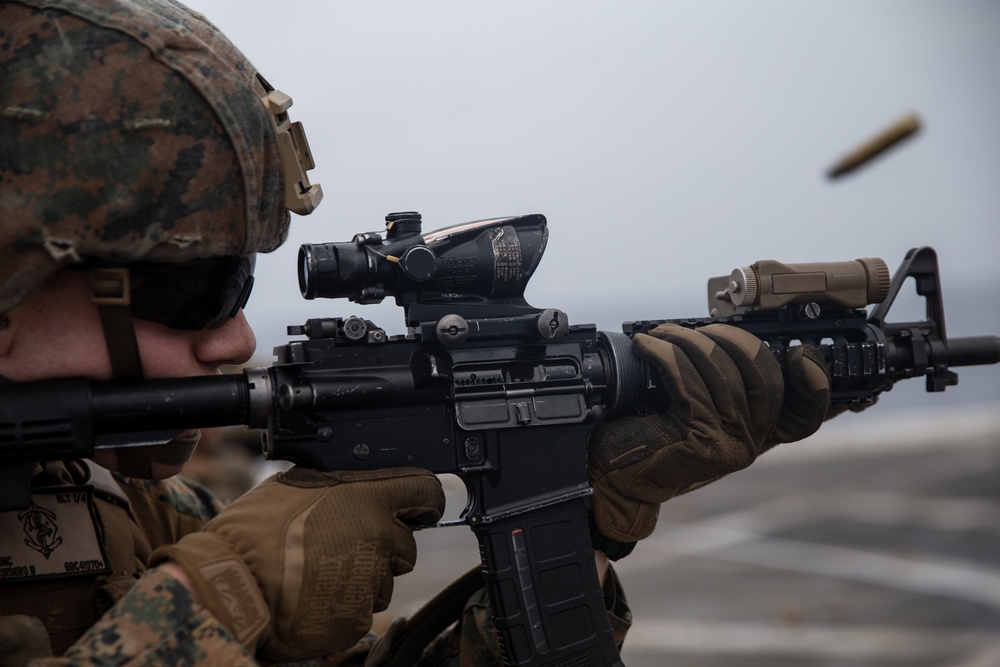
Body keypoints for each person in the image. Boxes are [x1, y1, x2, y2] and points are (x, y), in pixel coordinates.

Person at [0, 0, 832, 664]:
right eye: (192, 288)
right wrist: (223, 595)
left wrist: (588, 530)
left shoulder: (121, 508)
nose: (234, 339)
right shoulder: (181, 541)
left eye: (240, 283)